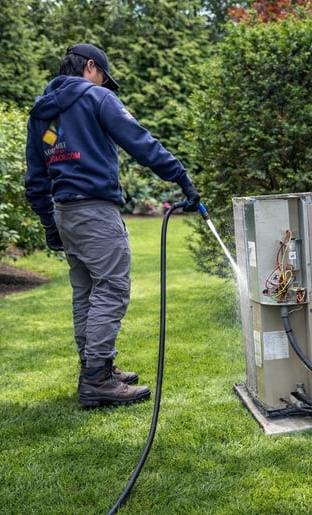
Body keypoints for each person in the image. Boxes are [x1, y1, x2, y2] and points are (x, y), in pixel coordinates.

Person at [25, 43, 201, 408]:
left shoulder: (41, 113)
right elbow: (142, 143)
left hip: (65, 211)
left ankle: (94, 367)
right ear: (91, 66)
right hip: (95, 210)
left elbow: (35, 177)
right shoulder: (96, 98)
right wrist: (182, 179)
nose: (104, 84)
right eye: (104, 76)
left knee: (86, 291)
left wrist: (48, 223)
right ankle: (97, 381)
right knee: (112, 287)